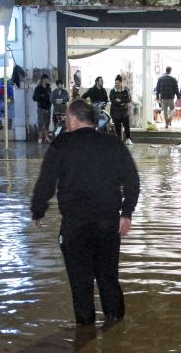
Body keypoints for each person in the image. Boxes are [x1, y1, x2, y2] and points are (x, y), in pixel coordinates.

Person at [30, 100, 141, 326]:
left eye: (66, 118)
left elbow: (46, 182)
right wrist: (127, 213)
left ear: (73, 119)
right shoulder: (113, 143)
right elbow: (132, 180)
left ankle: (85, 333)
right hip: (108, 224)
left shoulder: (62, 144)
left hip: (75, 225)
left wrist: (38, 210)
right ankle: (116, 327)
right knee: (108, 278)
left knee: (80, 283)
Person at [109, 74, 133, 144]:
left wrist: (120, 100)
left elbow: (128, 99)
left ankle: (128, 138)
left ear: (121, 83)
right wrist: (121, 102)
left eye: (118, 83)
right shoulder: (112, 91)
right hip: (116, 111)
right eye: (115, 83)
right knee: (117, 126)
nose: (116, 84)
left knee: (126, 124)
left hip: (124, 110)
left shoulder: (125, 90)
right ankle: (119, 140)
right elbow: (113, 101)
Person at [32, 74, 52, 144]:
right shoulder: (38, 88)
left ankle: (46, 138)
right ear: (43, 79)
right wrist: (41, 96)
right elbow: (34, 98)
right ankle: (40, 138)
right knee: (40, 123)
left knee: (47, 123)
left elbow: (50, 97)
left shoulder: (49, 88)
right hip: (41, 108)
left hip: (48, 108)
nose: (48, 80)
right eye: (47, 79)